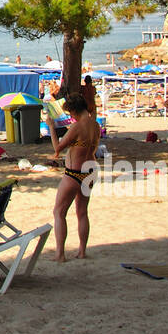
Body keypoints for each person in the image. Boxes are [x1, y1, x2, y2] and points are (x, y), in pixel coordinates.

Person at [51, 93, 98, 261]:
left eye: (70, 113)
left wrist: (51, 126)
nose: (70, 116)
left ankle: (60, 254)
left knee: (59, 212)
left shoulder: (77, 126)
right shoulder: (95, 125)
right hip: (90, 171)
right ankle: (82, 251)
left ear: (74, 110)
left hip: (74, 173)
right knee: (82, 212)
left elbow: (58, 148)